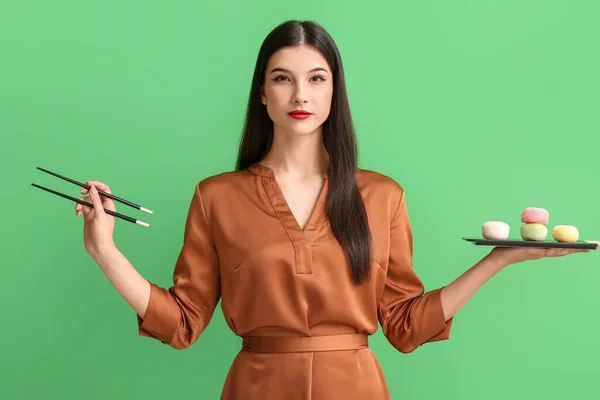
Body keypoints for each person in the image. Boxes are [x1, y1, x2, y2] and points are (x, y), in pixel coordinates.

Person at [74, 19, 588, 400]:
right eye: (282, 78)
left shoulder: (383, 195)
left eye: (317, 78)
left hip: (357, 387)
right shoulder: (217, 196)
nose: (300, 93)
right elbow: (181, 323)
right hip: (257, 388)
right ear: (262, 94)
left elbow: (406, 325)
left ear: (334, 91)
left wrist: (495, 260)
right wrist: (104, 249)